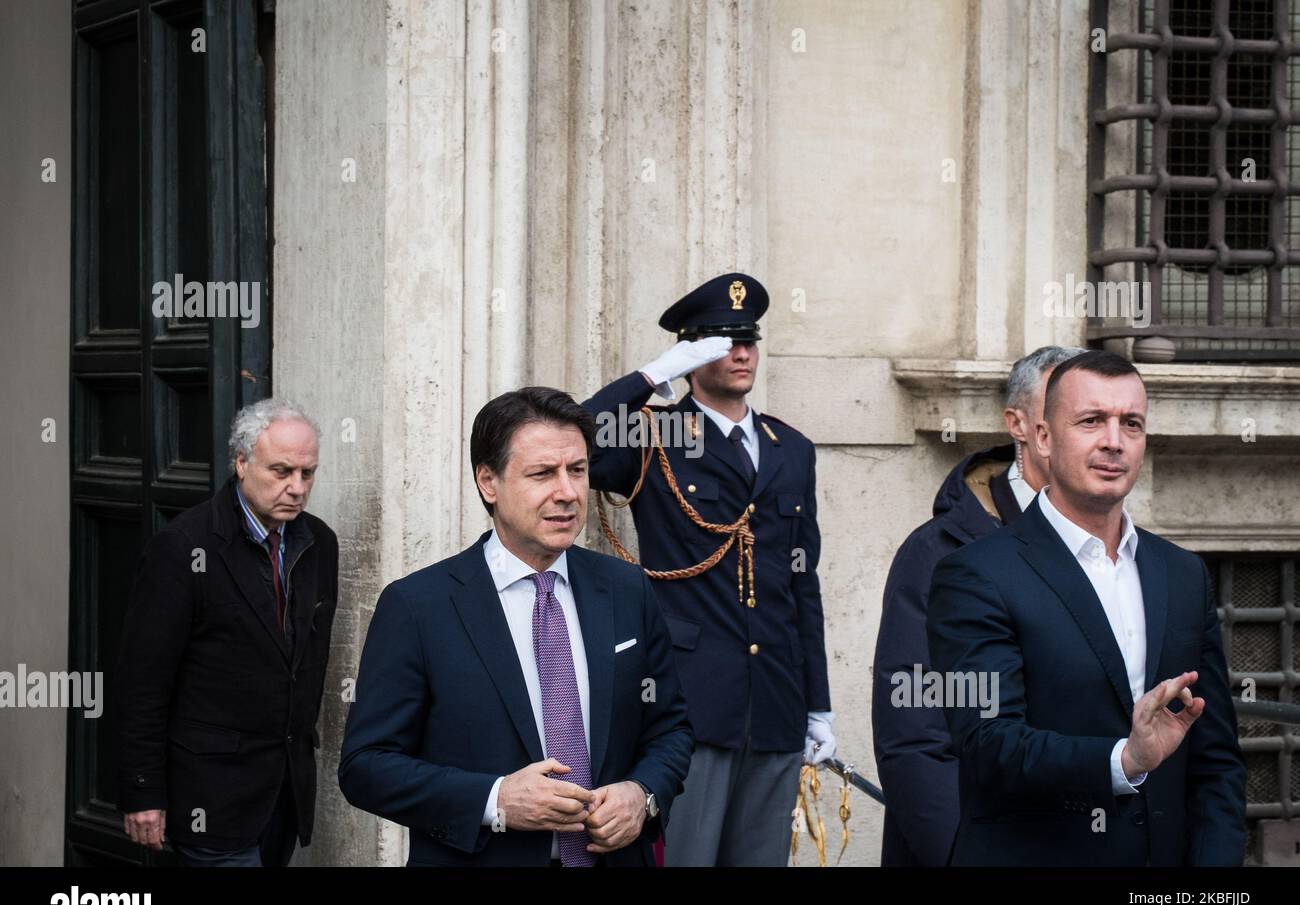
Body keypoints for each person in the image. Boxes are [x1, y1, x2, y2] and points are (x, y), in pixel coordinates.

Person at [338, 387, 692, 866]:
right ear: (489, 482)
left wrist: (642, 793)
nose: (567, 492)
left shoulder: (627, 588)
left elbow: (670, 727)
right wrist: (496, 800)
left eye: (578, 470)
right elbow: (366, 767)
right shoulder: (419, 605)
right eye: (543, 473)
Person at [927, 350, 1247, 865]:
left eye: (1132, 424)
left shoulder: (1183, 573)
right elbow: (987, 743)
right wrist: (1123, 759)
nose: (1113, 441)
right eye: (1092, 420)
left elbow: (1215, 764)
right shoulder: (976, 574)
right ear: (1044, 438)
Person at [582, 273, 831, 866]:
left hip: (774, 701)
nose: (741, 353)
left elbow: (803, 582)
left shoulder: (788, 447)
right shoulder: (657, 433)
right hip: (688, 700)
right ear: (692, 352)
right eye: (722, 340)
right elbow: (576, 438)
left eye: (749, 339)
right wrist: (652, 376)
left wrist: (817, 702)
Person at [872, 345, 1081, 865]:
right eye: (1071, 415)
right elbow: (916, 735)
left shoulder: (1130, 552)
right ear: (1018, 423)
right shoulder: (938, 553)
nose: (1097, 437)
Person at [116, 398, 338, 866]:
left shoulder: (319, 543)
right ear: (240, 462)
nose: (297, 488)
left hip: (284, 794)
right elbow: (142, 682)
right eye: (281, 471)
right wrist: (142, 791)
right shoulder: (183, 548)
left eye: (308, 473)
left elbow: (306, 663)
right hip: (210, 796)